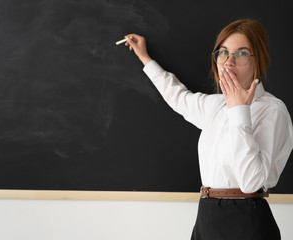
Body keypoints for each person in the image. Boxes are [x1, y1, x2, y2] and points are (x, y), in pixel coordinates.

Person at [124, 19, 293, 240]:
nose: (229, 63)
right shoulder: (216, 105)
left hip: (246, 220)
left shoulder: (272, 111)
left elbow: (252, 182)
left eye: (241, 54)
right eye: (223, 53)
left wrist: (239, 111)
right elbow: (178, 97)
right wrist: (145, 58)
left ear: (258, 60)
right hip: (206, 216)